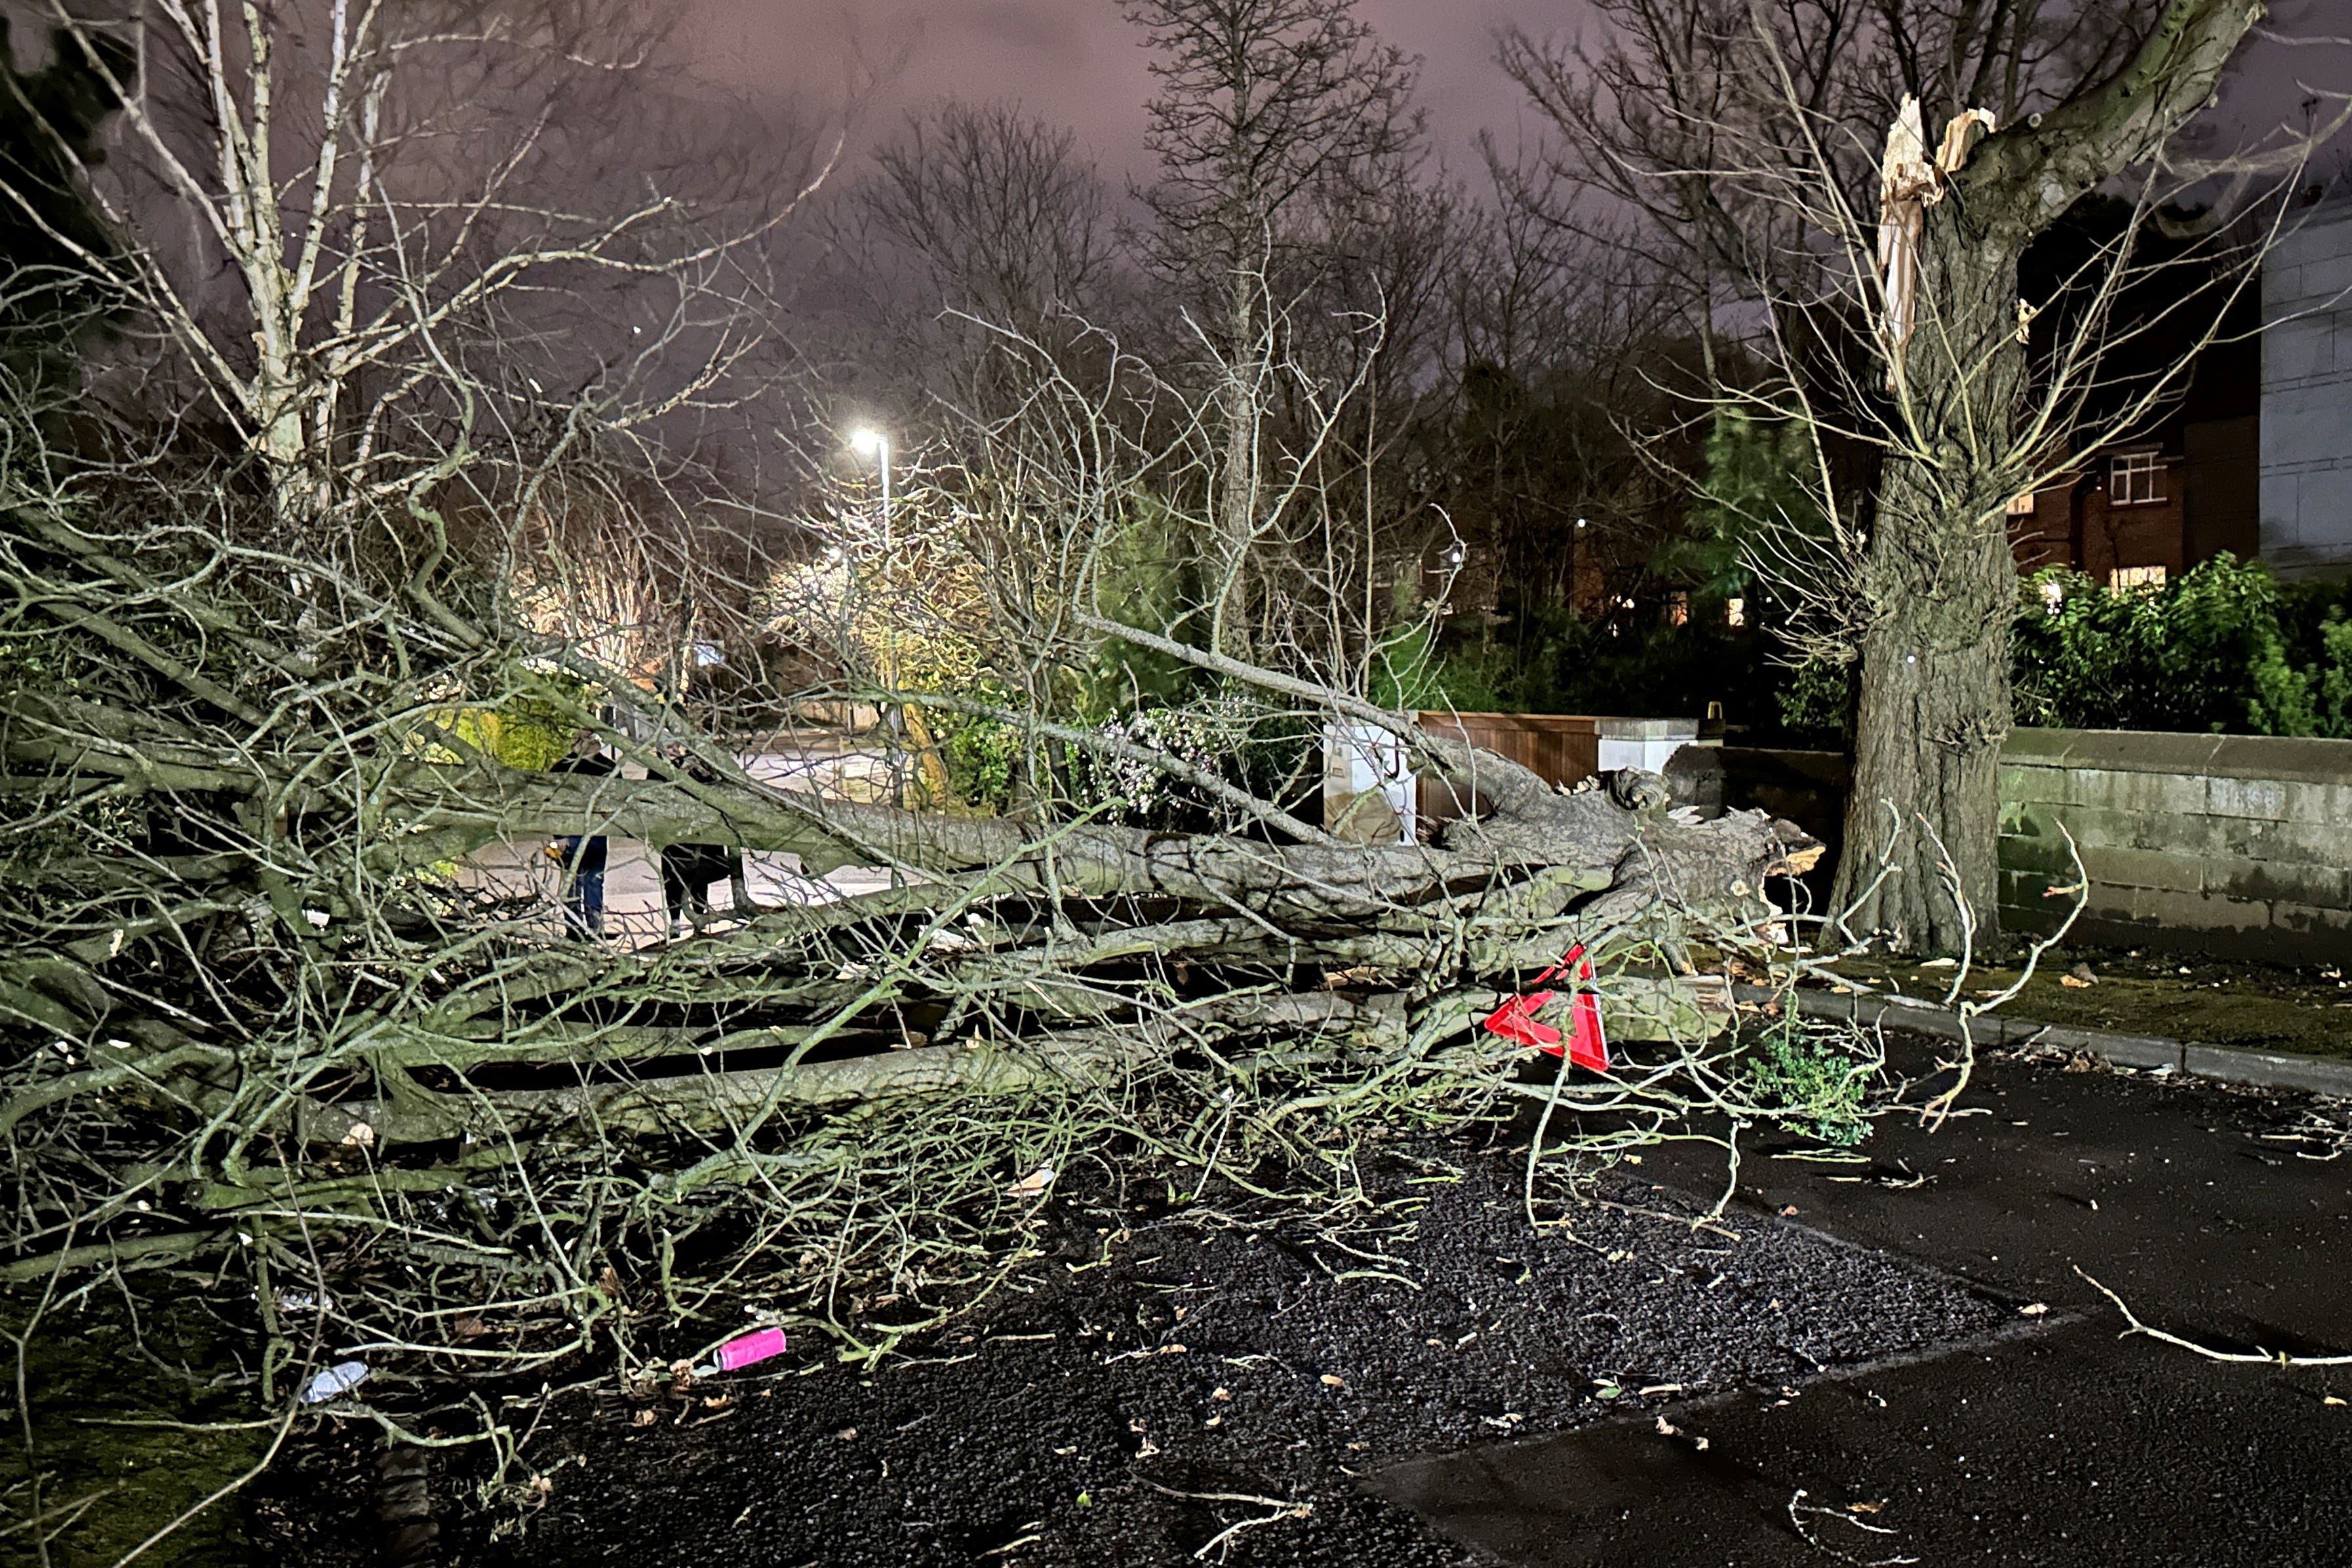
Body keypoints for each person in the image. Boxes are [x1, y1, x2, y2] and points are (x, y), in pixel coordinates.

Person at [657, 747, 747, 939]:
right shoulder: (660, 769)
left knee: (701, 877)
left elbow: (719, 790)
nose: (674, 751)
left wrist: (699, 772)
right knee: (674, 878)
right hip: (676, 834)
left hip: (706, 832)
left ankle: (699, 920)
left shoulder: (704, 768)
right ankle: (675, 921)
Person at [551, 731, 614, 938]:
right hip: (571, 833)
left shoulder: (607, 767)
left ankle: (594, 927)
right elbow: (552, 804)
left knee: (594, 880)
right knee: (573, 881)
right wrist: (558, 836)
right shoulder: (562, 768)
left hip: (597, 833)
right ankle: (575, 928)